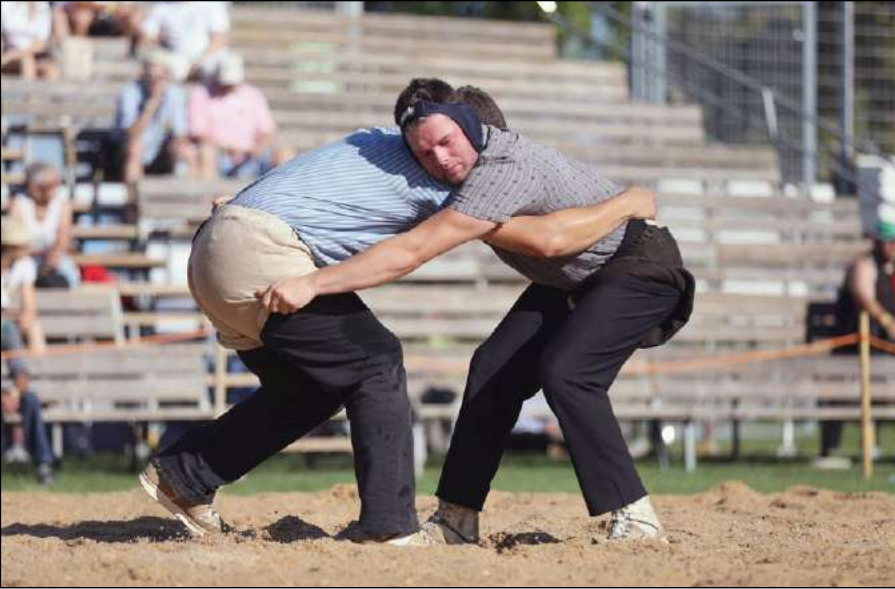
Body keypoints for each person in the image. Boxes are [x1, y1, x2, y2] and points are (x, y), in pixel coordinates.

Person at [140, 80, 658, 545]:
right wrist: (627, 201)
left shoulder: (372, 139)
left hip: (219, 248)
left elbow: (307, 176)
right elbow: (543, 239)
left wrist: (245, 201)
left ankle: (186, 476)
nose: (439, 157)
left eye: (447, 143)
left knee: (310, 390)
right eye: (431, 145)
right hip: (263, 254)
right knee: (375, 362)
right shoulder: (457, 185)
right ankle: (389, 526)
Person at [817, 219, 895, 465]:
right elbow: (864, 296)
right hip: (854, 348)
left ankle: (871, 445)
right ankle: (831, 450)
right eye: (887, 243)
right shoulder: (864, 266)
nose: (890, 248)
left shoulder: (890, 270)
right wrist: (887, 322)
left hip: (883, 350)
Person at [1, 216, 54, 484]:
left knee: (29, 398)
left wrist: (13, 391)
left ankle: (43, 464)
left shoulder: (22, 267)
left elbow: (28, 309)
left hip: (10, 331)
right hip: (8, 330)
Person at [189, 51, 292, 180]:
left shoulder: (253, 94)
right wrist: (228, 148)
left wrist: (257, 148)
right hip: (219, 154)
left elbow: (268, 131)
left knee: (285, 154)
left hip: (250, 154)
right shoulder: (202, 93)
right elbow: (199, 133)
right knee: (206, 152)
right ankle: (206, 194)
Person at [114, 49, 195, 210]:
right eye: (150, 76)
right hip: (123, 153)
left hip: (158, 151)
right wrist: (151, 106)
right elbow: (131, 134)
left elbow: (180, 133)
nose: (155, 81)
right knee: (135, 147)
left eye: (159, 77)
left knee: (187, 151)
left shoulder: (174, 94)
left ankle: (186, 206)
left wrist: (178, 146)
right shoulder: (129, 93)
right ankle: (134, 207)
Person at [7, 163, 80, 289]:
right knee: (23, 267)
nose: (55, 188)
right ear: (37, 187)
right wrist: (34, 253)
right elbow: (14, 240)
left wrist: (52, 256)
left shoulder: (62, 205)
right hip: (25, 257)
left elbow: (63, 240)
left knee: (63, 267)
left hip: (53, 260)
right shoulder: (19, 204)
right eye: (50, 185)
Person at [139, 1, 229, 81]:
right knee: (156, 68)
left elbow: (219, 39)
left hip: (209, 57)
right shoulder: (162, 7)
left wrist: (199, 62)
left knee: (226, 67)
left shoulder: (212, 4)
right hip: (175, 58)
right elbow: (148, 36)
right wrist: (158, 40)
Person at [1, 1, 59, 80]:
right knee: (27, 62)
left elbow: (41, 42)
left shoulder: (43, 6)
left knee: (51, 71)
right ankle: (28, 92)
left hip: (30, 54)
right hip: (7, 52)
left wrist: (12, 55)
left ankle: (40, 92)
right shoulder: (6, 4)